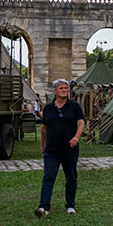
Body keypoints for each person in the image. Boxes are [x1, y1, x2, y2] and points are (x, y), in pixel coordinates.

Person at [35, 79, 85, 217]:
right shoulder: (48, 109)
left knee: (71, 177)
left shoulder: (74, 106)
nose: (64, 90)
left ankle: (70, 205)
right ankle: (43, 207)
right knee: (48, 177)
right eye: (62, 88)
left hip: (70, 150)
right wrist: (42, 145)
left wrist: (76, 137)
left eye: (66, 88)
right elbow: (44, 128)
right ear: (55, 91)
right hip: (52, 150)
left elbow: (81, 123)